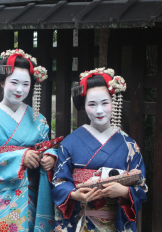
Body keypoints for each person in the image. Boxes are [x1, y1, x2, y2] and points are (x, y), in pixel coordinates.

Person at [0, 49, 60, 232]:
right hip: (0, 196)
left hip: (32, 193)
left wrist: (50, 156)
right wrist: (20, 158)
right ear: (2, 82)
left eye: (26, 84)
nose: (20, 89)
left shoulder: (38, 119)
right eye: (14, 82)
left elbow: (45, 147)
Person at [51, 68, 148, 232]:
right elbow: (58, 181)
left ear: (113, 102)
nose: (99, 110)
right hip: (80, 220)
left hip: (115, 222)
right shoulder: (70, 142)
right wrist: (75, 194)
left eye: (105, 103)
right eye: (92, 104)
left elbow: (142, 185)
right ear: (83, 105)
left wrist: (124, 191)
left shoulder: (129, 145)